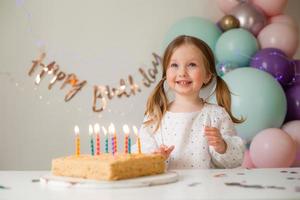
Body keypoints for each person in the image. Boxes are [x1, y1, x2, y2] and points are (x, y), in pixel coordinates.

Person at [133, 35, 245, 169]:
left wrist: (222, 146)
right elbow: (143, 159)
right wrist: (157, 158)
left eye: (192, 65)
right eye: (174, 65)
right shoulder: (155, 116)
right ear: (166, 73)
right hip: (166, 189)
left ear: (207, 75)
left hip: (206, 189)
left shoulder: (217, 115)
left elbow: (234, 161)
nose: (182, 72)